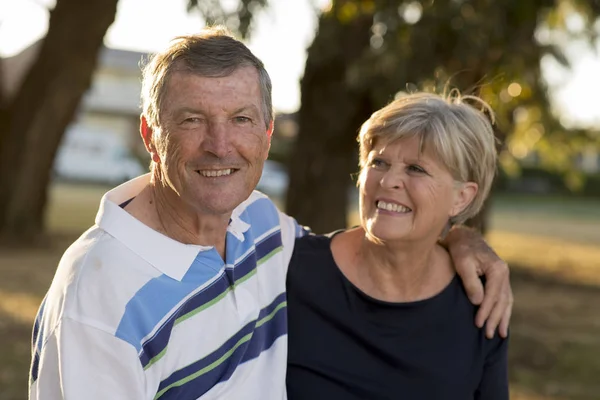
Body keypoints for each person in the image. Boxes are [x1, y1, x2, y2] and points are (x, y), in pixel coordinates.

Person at [29, 27, 511, 400]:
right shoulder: (96, 296)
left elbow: (395, 242)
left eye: (240, 119)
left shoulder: (259, 229)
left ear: (266, 134)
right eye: (192, 119)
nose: (219, 147)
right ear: (151, 135)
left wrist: (459, 239)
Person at [286, 92, 509, 399]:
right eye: (379, 162)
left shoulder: (481, 303)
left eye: (416, 169)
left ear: (462, 197)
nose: (389, 181)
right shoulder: (292, 272)